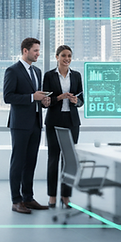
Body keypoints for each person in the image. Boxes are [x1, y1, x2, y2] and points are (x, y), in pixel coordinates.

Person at [3, 37, 51, 214]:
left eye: (39, 51)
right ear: (25, 51)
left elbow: (37, 96)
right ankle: (16, 200)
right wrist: (32, 97)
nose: (38, 54)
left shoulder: (37, 72)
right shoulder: (13, 70)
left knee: (31, 162)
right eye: (35, 51)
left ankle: (28, 198)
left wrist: (43, 100)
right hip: (20, 124)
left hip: (36, 123)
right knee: (18, 162)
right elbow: (8, 97)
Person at [42, 44, 84, 208]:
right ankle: (52, 196)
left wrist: (75, 101)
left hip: (72, 122)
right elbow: (45, 102)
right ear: (57, 57)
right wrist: (59, 98)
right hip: (54, 121)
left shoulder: (77, 76)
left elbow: (81, 101)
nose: (67, 59)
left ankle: (66, 197)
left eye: (69, 56)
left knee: (69, 161)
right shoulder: (49, 76)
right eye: (64, 56)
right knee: (53, 159)